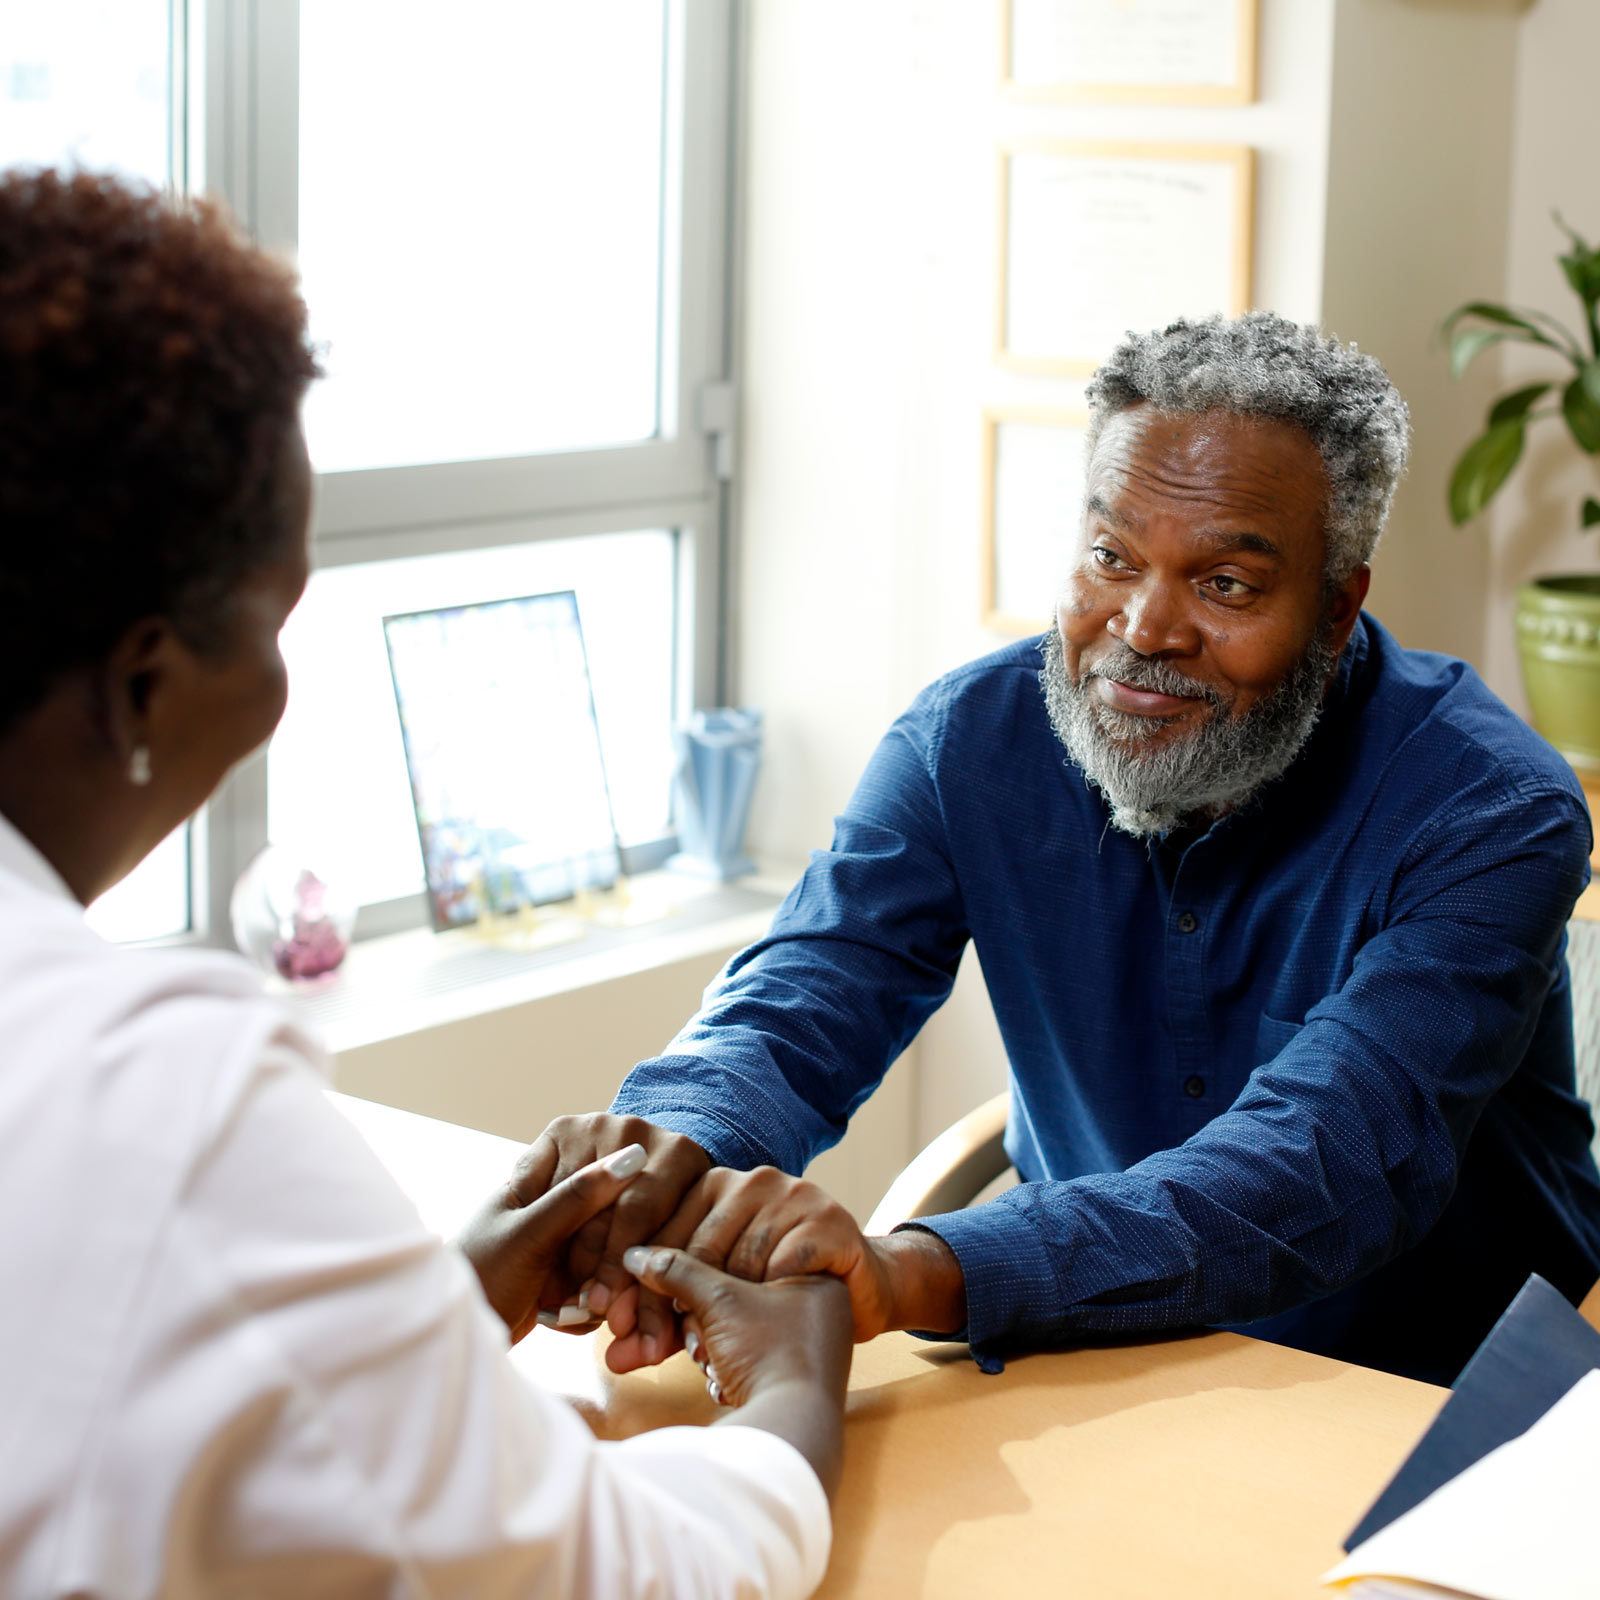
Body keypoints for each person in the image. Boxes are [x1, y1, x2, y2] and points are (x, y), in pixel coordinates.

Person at [0, 167, 852, 1599]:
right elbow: (605, 1574)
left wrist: (414, 1318)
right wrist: (793, 1400)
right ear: (143, 678)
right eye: (278, 619)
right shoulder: (150, 1100)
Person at [540, 312, 1600, 1388]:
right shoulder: (968, 741)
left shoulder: (1490, 809)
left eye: (1223, 583)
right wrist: (668, 1152)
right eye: (1109, 556)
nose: (1142, 626)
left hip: (1428, 1390)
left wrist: (911, 1269)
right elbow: (810, 988)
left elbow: (1326, 1159)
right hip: (1098, 1361)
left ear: (1336, 609)